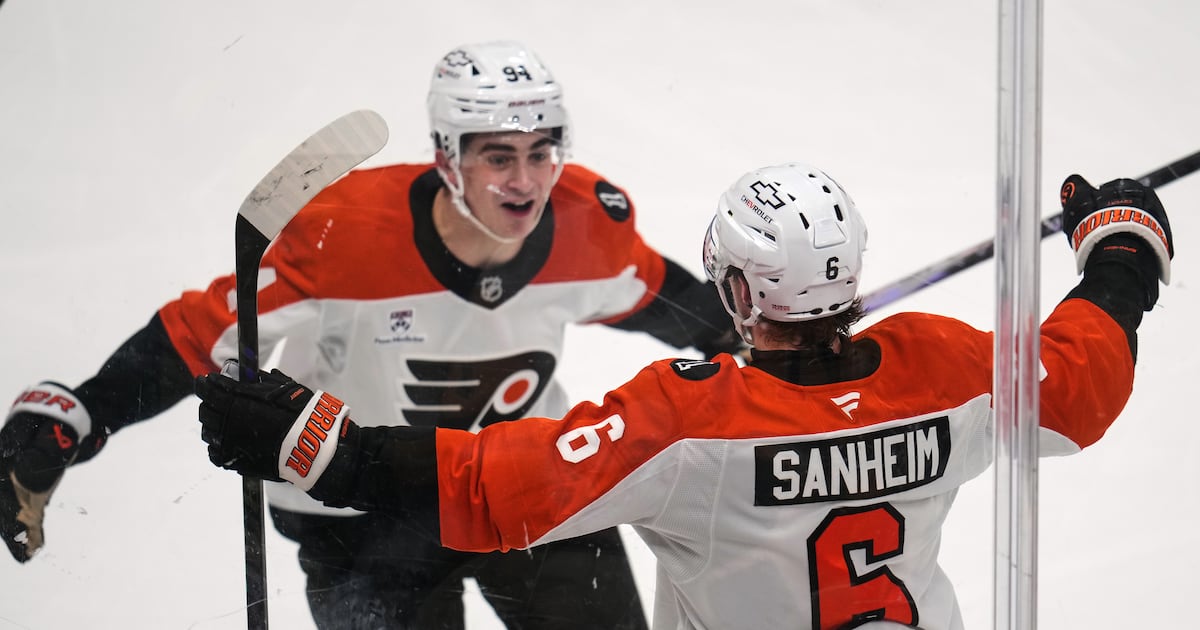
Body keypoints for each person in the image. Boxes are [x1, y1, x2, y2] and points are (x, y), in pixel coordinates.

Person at [192, 162, 1172, 630]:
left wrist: (320, 441)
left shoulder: (687, 418)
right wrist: (1123, 255)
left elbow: (501, 484)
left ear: (742, 290)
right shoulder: (946, 368)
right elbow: (1078, 384)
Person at [0, 41, 744, 629]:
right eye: (498, 155)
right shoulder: (346, 233)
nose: (526, 180)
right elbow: (200, 335)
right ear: (447, 156)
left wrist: (753, 343)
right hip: (359, 507)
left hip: (524, 484)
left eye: (541, 151)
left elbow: (674, 306)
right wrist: (80, 412)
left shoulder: (587, 223)